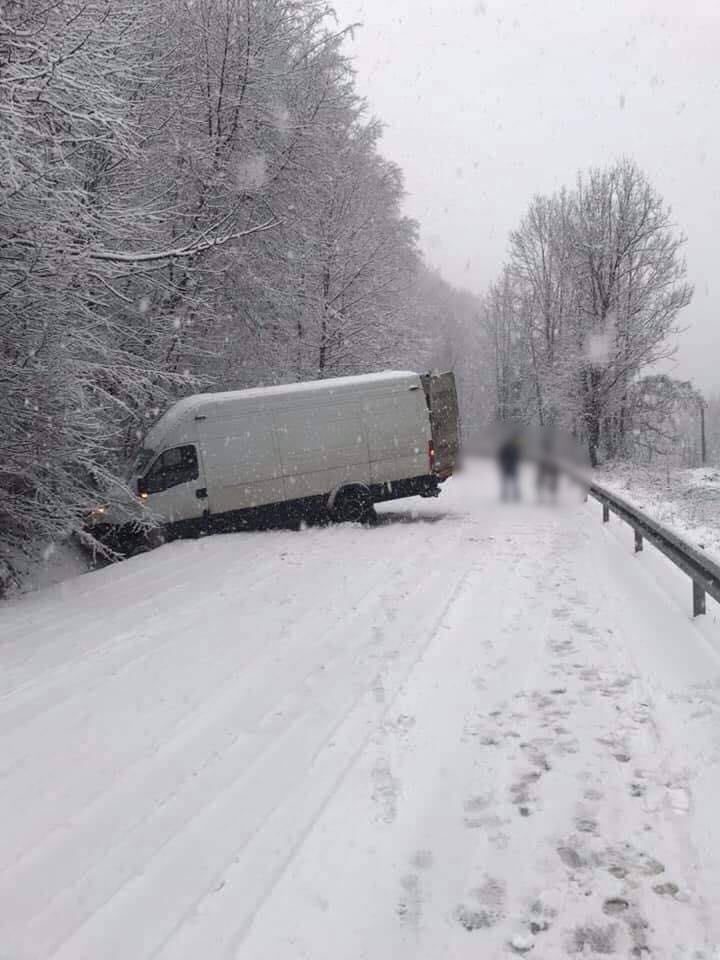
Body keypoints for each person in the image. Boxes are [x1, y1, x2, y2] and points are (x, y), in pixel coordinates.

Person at [497, 430, 522, 501]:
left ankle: (511, 495)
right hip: (508, 467)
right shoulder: (511, 447)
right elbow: (501, 456)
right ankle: (510, 495)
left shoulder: (514, 447)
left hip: (510, 467)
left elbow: (517, 458)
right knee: (510, 482)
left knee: (510, 482)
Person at [536, 428, 559, 502]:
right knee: (546, 481)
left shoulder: (546, 447)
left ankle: (545, 497)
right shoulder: (548, 447)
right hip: (547, 464)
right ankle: (544, 497)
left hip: (548, 464)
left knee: (546, 481)